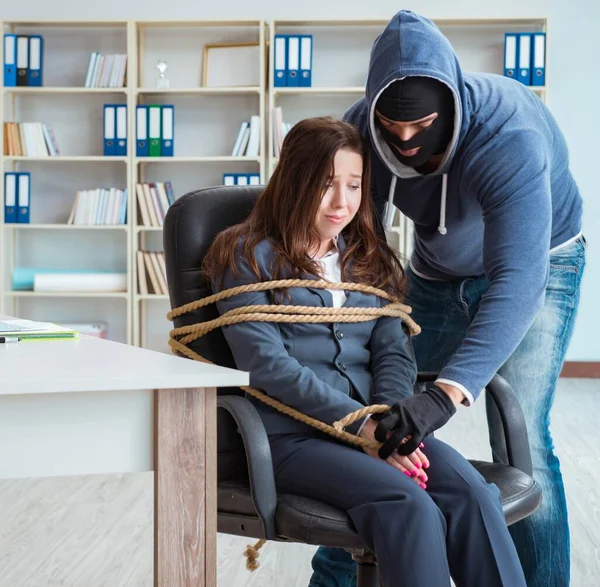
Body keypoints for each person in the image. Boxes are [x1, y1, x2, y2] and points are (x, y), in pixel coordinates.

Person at [310, 9, 586, 587]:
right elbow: (363, 252)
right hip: (434, 272)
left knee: (523, 436)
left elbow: (516, 279)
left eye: (422, 125)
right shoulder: (361, 130)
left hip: (542, 263)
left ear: (452, 103)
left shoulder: (507, 134)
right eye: (392, 126)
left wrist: (446, 393)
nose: (405, 141)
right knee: (378, 427)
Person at [202, 116, 527, 587]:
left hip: (379, 427)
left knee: (473, 494)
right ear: (295, 183)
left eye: (354, 185)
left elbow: (393, 350)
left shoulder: (366, 258)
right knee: (408, 504)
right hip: (293, 438)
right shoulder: (247, 257)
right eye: (327, 184)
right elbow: (268, 366)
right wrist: (366, 429)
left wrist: (396, 425)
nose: (343, 202)